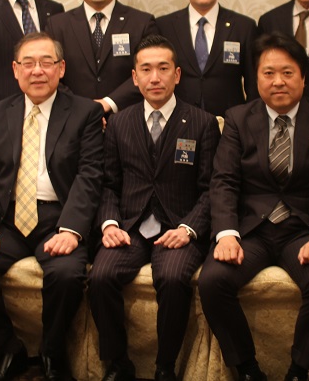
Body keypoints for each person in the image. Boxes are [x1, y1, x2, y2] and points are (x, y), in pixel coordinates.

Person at [0, 32, 104, 381]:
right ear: (15, 69)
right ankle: (7, 348)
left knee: (66, 274)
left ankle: (52, 351)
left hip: (59, 218)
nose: (38, 71)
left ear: (61, 69)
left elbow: (90, 177)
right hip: (8, 218)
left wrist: (71, 230)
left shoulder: (85, 113)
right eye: (29, 63)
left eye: (47, 62)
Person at [197, 33, 309, 381]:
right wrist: (226, 234)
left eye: (287, 72)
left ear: (303, 77)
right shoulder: (237, 118)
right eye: (268, 73)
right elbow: (223, 181)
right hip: (252, 231)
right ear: (255, 78)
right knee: (213, 281)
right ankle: (247, 369)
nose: (278, 81)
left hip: (302, 230)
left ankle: (299, 369)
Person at [89, 35, 221, 381]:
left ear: (177, 74)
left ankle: (165, 367)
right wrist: (109, 224)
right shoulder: (119, 123)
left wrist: (189, 229)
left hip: (179, 225)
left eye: (163, 69)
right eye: (146, 70)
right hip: (130, 226)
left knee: (174, 278)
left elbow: (211, 188)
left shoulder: (202, 123)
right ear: (134, 77)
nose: (155, 78)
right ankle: (118, 363)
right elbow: (108, 184)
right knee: (100, 276)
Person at [47, 0, 157, 117]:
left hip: (128, 120)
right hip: (72, 121)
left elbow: (150, 72)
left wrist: (107, 103)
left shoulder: (142, 23)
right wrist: (83, 109)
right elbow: (50, 74)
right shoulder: (57, 25)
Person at [156, 0, 258, 116]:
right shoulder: (164, 26)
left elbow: (254, 85)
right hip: (178, 121)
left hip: (230, 122)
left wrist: (248, 121)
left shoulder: (243, 26)